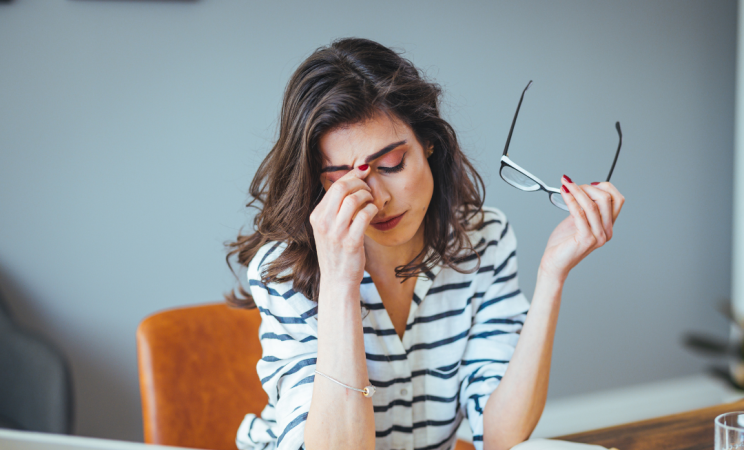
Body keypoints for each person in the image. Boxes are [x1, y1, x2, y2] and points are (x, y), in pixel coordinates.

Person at [226, 37, 624, 450]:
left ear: (429, 144)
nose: (377, 199)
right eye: (342, 180)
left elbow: (501, 436)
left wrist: (552, 276)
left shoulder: (483, 240)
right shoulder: (285, 272)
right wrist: (340, 282)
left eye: (391, 165)